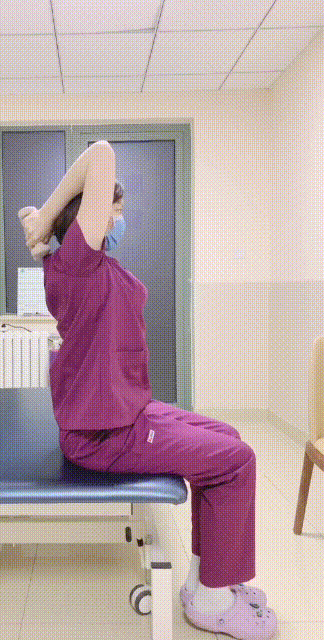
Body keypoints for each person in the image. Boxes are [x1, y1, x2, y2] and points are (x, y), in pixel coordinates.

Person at [19, 140, 277, 640]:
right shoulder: (78, 263)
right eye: (113, 210)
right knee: (236, 460)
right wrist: (44, 218)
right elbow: (99, 152)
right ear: (86, 220)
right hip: (104, 434)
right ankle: (212, 602)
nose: (118, 219)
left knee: (227, 437)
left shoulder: (78, 263)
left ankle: (207, 580)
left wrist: (43, 234)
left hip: (127, 413)